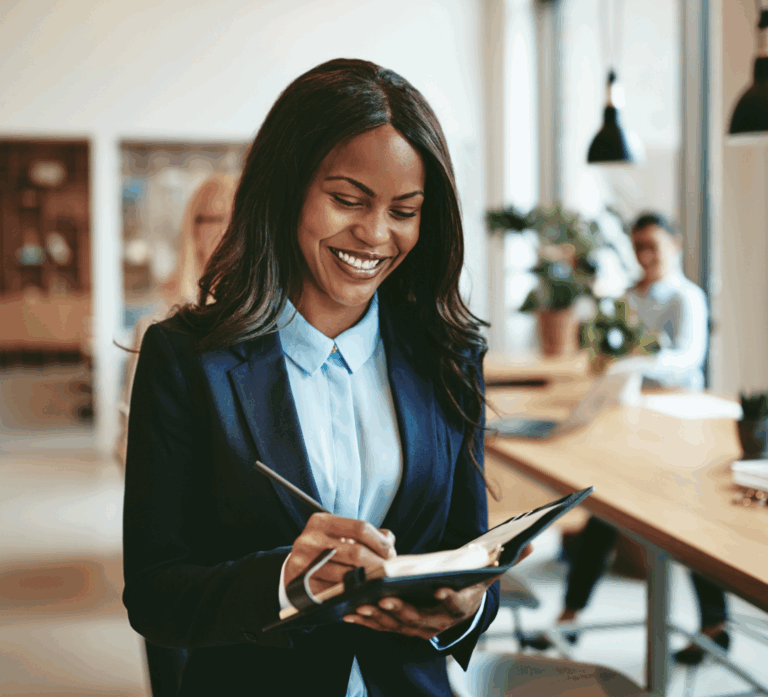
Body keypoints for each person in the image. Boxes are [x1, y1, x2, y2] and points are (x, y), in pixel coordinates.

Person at [122, 59, 524, 696]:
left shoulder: (449, 356)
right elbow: (154, 593)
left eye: (405, 210)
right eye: (347, 200)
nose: (374, 233)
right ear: (288, 191)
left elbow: (465, 553)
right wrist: (284, 579)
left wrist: (465, 610)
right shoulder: (188, 359)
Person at [528, 212, 728, 666]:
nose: (645, 255)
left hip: (678, 430)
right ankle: (570, 617)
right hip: (629, 426)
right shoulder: (624, 298)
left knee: (692, 528)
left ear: (675, 244)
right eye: (638, 246)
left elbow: (687, 359)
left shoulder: (685, 298)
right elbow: (605, 353)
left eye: (653, 245)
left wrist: (635, 362)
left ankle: (714, 625)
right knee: (603, 510)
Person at [116, 174, 236, 696]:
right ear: (193, 229)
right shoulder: (162, 328)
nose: (224, 232)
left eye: (235, 217)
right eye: (211, 219)